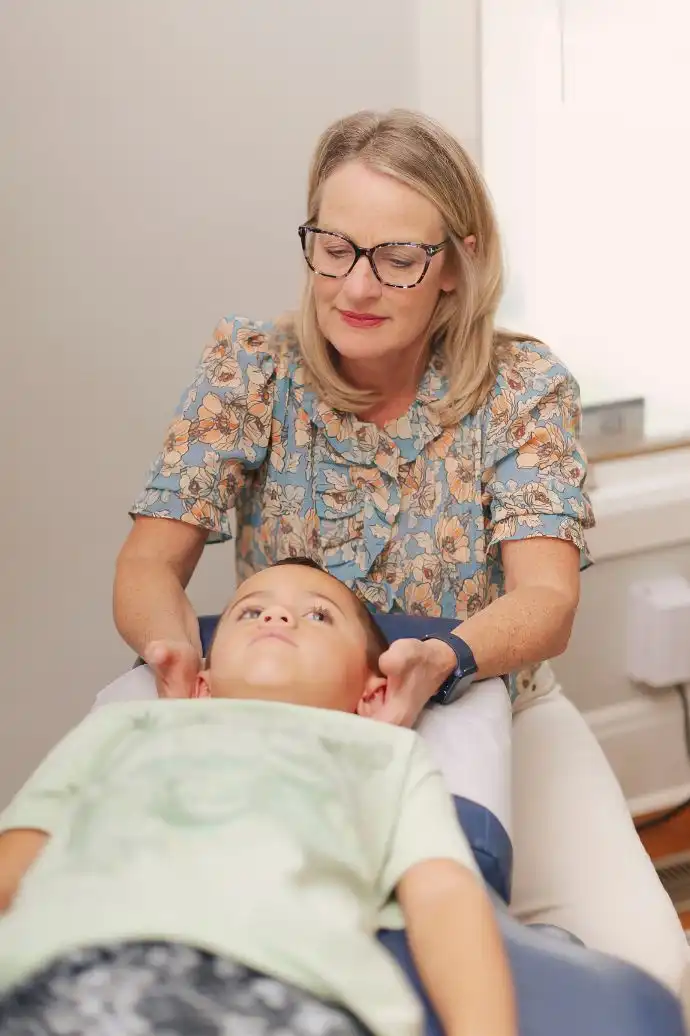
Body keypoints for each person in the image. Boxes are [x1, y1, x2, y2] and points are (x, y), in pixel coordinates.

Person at [114, 109, 689, 997]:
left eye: (397, 258)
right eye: (335, 247)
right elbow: (150, 565)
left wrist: (446, 657)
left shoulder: (521, 389)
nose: (357, 285)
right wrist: (174, 653)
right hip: (292, 725)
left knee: (651, 965)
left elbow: (546, 598)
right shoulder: (252, 370)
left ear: (456, 264)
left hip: (491, 702)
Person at [0, 559, 516, 1036]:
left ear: (374, 692)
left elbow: (444, 898)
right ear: (201, 684)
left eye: (318, 615)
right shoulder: (126, 726)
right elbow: (16, 857)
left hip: (286, 990)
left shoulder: (386, 755)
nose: (276, 615)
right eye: (249, 611)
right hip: (67, 971)